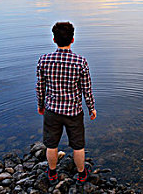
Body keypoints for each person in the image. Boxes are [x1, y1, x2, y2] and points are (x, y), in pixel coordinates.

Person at [36, 21, 97, 186]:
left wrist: (40, 105)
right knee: (78, 146)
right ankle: (82, 174)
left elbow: (40, 87)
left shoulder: (44, 60)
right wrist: (91, 108)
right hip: (74, 112)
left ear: (54, 39)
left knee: (51, 144)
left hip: (52, 110)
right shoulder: (80, 62)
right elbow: (86, 89)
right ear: (73, 40)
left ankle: (53, 173)